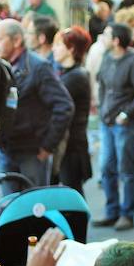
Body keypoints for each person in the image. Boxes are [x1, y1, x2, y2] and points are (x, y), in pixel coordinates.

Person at [0, 20, 73, 194]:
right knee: (10, 210)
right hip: (7, 149)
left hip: (32, 151)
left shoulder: (38, 67)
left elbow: (64, 106)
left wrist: (48, 146)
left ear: (17, 40)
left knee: (35, 209)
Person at [94, 23, 134, 231]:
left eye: (106, 35)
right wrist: (102, 108)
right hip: (107, 122)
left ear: (116, 40)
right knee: (106, 167)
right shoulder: (106, 57)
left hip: (125, 124)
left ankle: (127, 213)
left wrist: (126, 114)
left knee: (126, 170)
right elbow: (102, 86)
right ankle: (112, 210)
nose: (102, 37)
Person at [52, 26, 93, 196]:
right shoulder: (65, 73)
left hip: (72, 145)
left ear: (71, 49)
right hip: (66, 143)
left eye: (58, 45)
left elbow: (52, 101)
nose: (54, 49)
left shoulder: (77, 76)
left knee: (72, 196)